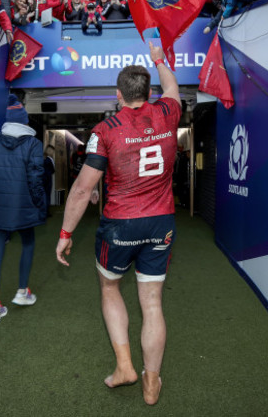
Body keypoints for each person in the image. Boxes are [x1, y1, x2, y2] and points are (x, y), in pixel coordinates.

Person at [56, 42, 181, 406]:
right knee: (152, 303)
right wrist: (159, 59)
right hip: (161, 223)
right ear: (150, 93)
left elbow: (82, 189)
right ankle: (151, 381)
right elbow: (172, 87)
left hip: (120, 225)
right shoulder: (168, 112)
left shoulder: (105, 129)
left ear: (117, 95)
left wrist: (65, 234)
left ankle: (126, 366)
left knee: (110, 288)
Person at [0, 95, 46, 324]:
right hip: (23, 208)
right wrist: (39, 204)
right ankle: (22, 292)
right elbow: (36, 179)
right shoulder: (33, 144)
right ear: (24, 122)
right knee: (28, 244)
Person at [43, 146, 55, 218]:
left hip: (42, 179)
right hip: (48, 180)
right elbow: (53, 170)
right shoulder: (50, 159)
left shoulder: (42, 158)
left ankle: (42, 212)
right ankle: (47, 212)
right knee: (47, 196)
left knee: (43, 196)